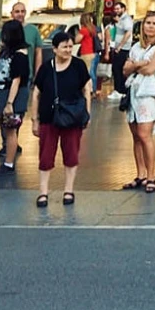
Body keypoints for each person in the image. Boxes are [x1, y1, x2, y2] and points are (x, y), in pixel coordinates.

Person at [33, 28, 92, 206]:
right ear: (55, 49)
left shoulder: (78, 65)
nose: (68, 50)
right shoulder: (46, 68)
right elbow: (36, 93)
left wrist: (87, 113)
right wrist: (35, 119)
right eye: (64, 47)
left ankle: (69, 190)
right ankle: (43, 191)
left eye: (70, 46)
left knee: (71, 153)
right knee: (45, 155)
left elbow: (86, 89)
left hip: (73, 116)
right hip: (48, 117)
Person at [121, 10, 155, 191]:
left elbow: (151, 69)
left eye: (154, 23)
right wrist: (138, 65)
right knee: (136, 136)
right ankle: (140, 174)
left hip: (150, 93)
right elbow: (125, 70)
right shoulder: (136, 47)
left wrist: (136, 66)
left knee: (145, 134)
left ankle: (151, 176)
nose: (150, 26)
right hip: (135, 92)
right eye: (147, 23)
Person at [0, 19, 33, 174]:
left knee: (10, 130)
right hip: (2, 92)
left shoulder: (20, 55)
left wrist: (9, 103)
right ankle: (3, 162)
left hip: (14, 95)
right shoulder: (7, 50)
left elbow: (17, 79)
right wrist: (0, 46)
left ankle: (8, 164)